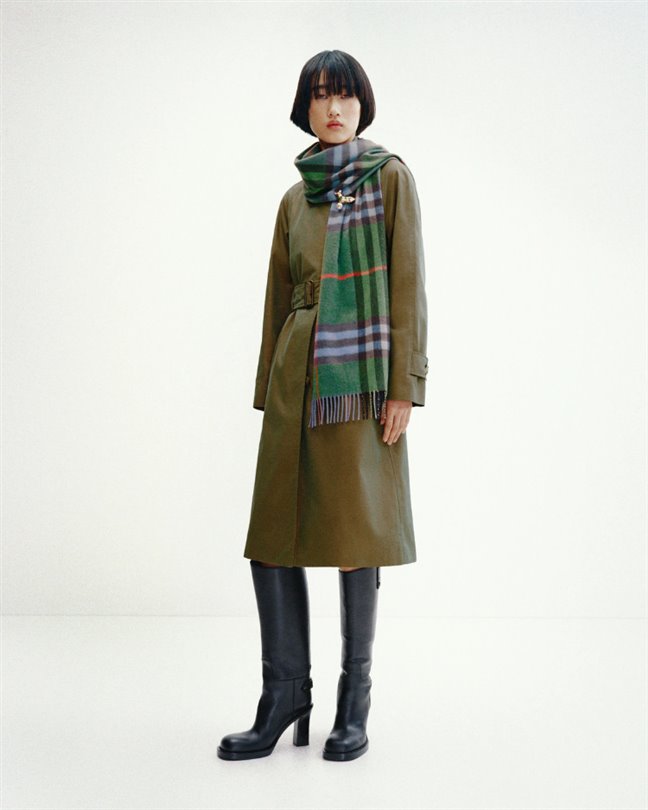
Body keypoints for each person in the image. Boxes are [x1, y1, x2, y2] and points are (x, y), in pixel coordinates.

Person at [217, 49, 428, 763]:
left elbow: (408, 286)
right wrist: (267, 390)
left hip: (358, 383)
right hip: (295, 379)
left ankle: (353, 705)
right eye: (320, 96)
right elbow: (277, 298)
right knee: (272, 539)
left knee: (353, 538)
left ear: (362, 104)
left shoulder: (390, 178)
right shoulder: (293, 198)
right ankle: (284, 696)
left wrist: (404, 386)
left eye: (344, 95)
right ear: (304, 108)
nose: (333, 108)